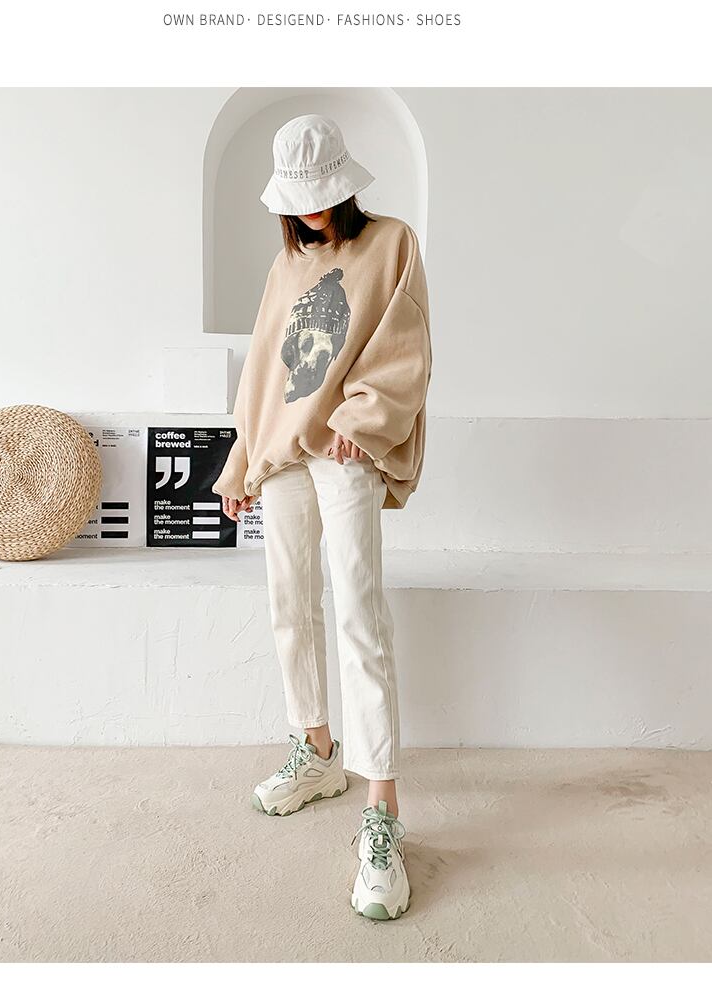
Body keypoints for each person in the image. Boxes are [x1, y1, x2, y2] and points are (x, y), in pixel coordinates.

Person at [213, 113, 432, 921]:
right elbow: (264, 376)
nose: (309, 208)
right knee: (290, 604)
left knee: (358, 614)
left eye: (319, 192)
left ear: (344, 182)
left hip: (344, 451)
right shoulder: (286, 265)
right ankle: (315, 750)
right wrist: (241, 461)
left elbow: (405, 344)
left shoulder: (392, 243)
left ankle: (382, 811)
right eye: (296, 197)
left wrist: (362, 417)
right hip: (283, 457)